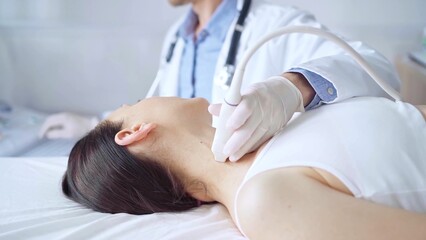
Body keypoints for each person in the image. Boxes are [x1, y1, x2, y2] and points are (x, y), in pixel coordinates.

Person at [40, 0, 400, 161]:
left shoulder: (275, 22)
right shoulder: (177, 38)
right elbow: (159, 104)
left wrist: (292, 88)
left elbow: (375, 68)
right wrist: (95, 125)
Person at [62, 95, 426, 239]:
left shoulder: (276, 133)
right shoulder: (263, 201)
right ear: (133, 133)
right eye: (138, 101)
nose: (154, 95)